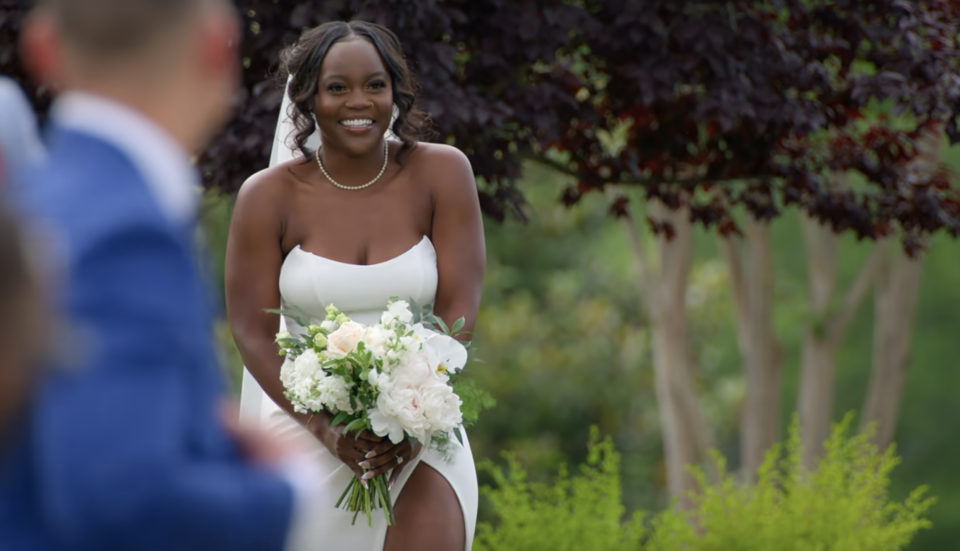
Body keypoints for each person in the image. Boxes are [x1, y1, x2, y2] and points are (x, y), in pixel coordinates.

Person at [2, 0, 327, 549]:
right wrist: (290, 492)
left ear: (41, 48)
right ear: (216, 45)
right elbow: (124, 499)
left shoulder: (34, 201)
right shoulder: (129, 234)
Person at [227, 20, 486, 551]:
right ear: (310, 99)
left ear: (396, 92)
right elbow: (253, 332)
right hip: (304, 424)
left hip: (420, 427)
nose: (358, 101)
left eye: (375, 84)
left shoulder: (443, 173)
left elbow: (460, 310)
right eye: (337, 87)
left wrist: (412, 417)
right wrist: (328, 429)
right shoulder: (267, 196)